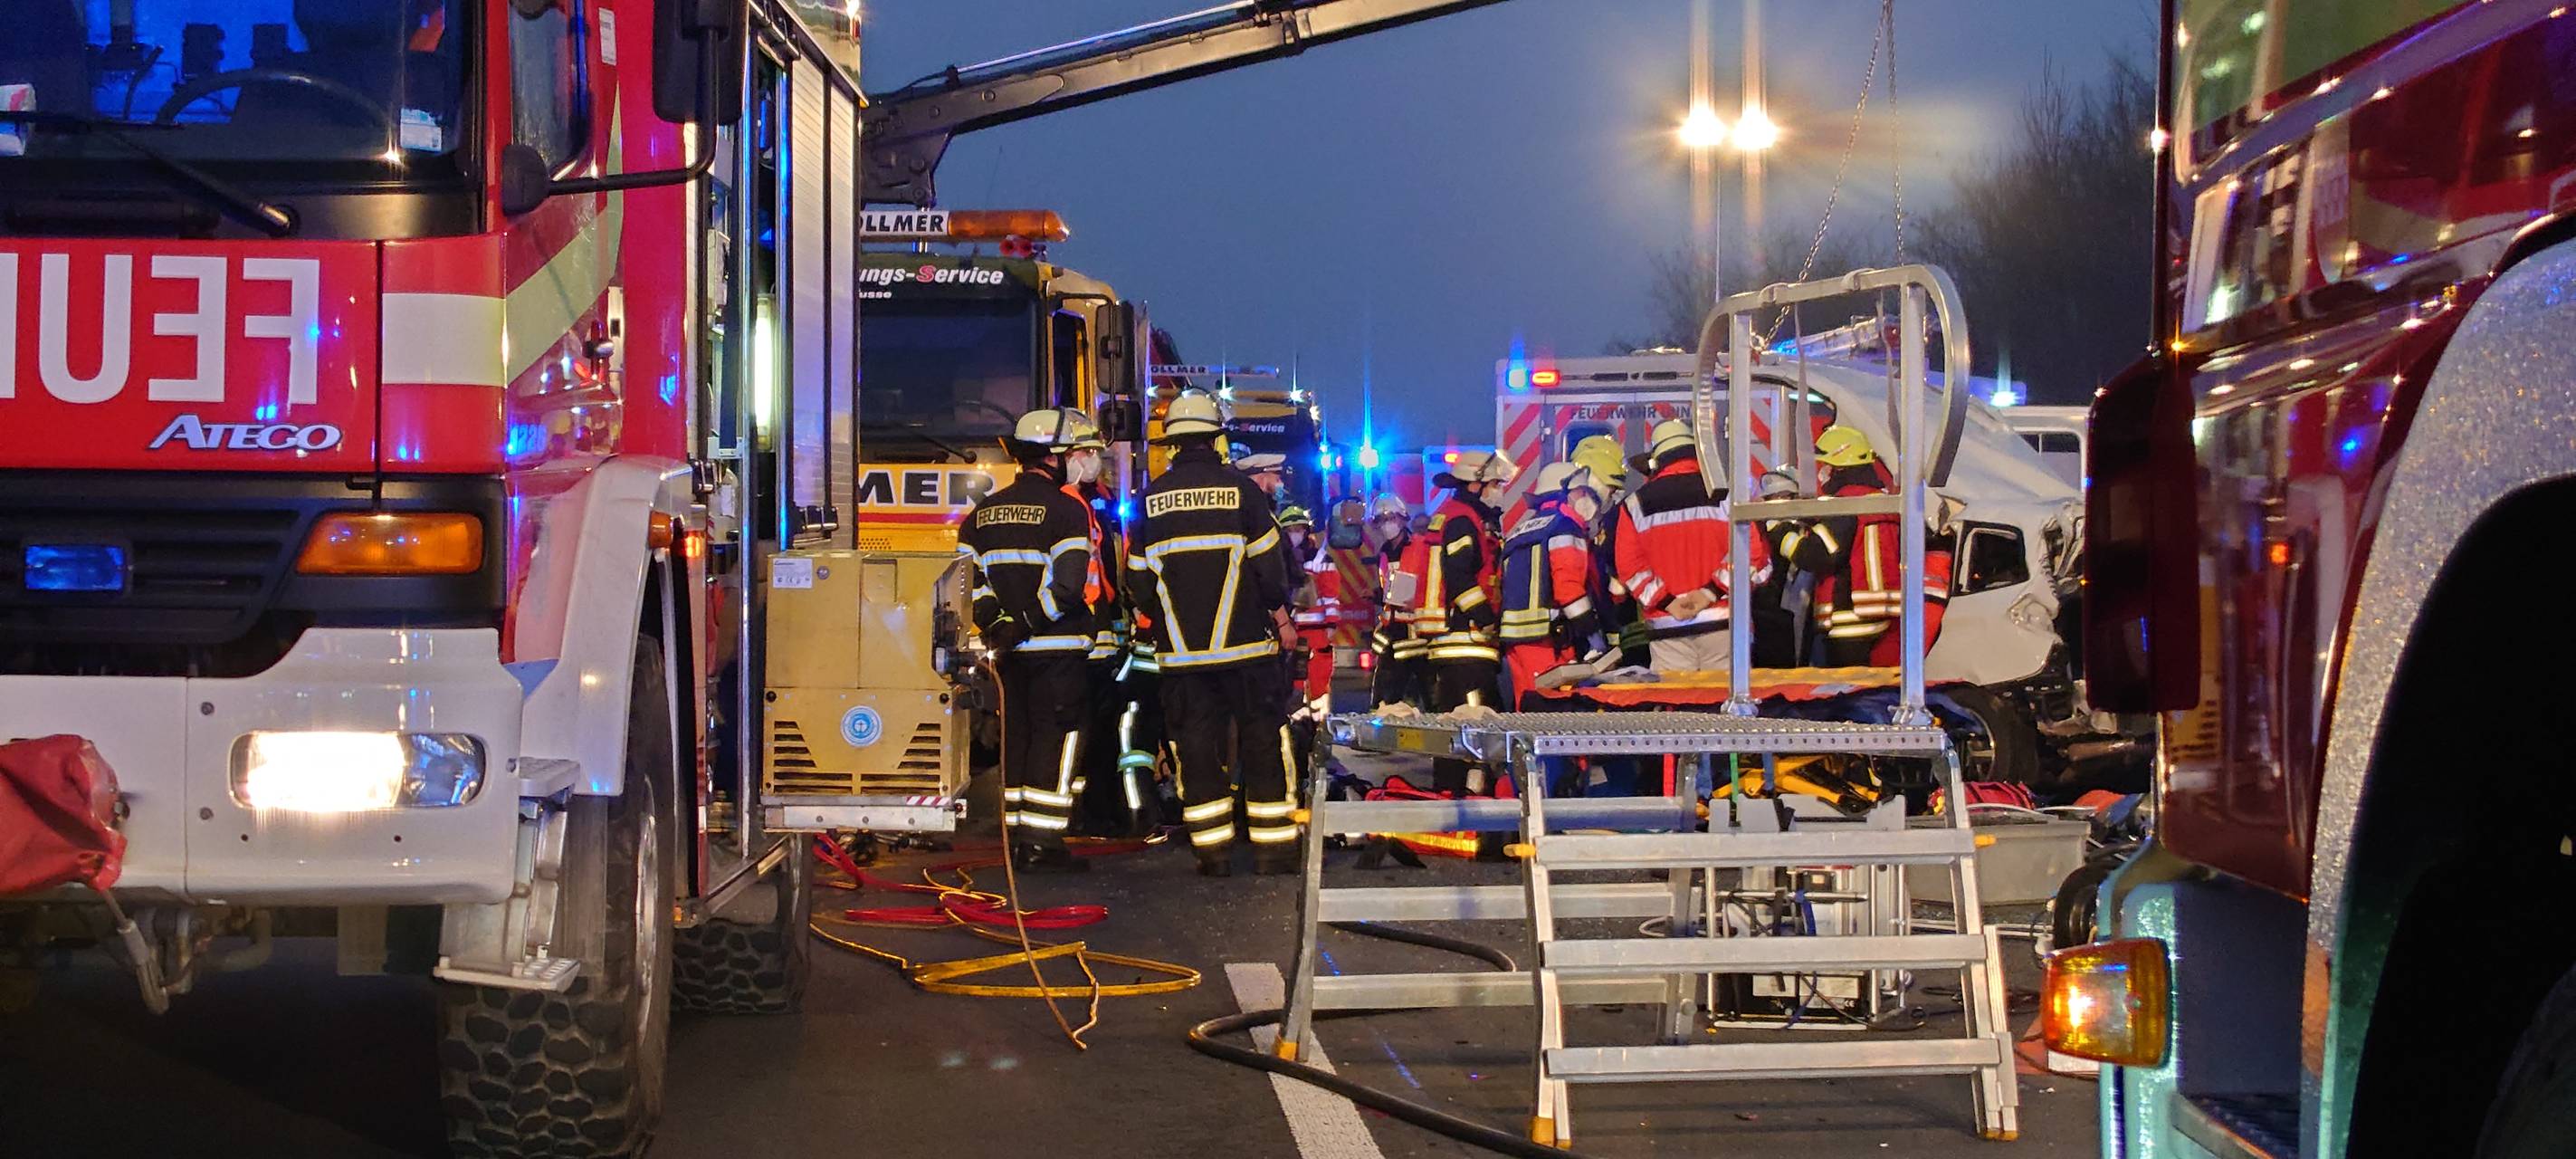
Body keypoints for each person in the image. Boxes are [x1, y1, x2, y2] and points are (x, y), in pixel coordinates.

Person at [1130, 394, 1301, 876]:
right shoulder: (1243, 492)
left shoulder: (1150, 501)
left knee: (1196, 749)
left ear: (1173, 444)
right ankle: (1273, 849)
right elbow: (1271, 571)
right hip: (1247, 652)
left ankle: (1213, 852)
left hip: (1183, 660)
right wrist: (1276, 614)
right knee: (1263, 741)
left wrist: (1168, 619)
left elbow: (1137, 582)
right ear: (1215, 439)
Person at [959, 409, 1111, 873]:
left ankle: (1017, 840)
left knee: (1018, 740)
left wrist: (998, 625)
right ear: (1052, 457)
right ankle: (1043, 843)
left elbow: (968, 585)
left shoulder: (980, 515)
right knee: (1055, 740)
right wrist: (1025, 623)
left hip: (1008, 656)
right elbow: (1067, 586)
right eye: (1071, 454)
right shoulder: (1067, 511)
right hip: (1057, 650)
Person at [1613, 420, 1770, 675]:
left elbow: (1630, 568)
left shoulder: (1634, 505)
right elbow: (1751, 554)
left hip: (1667, 625)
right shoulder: (1730, 496)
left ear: (1657, 460)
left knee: (1676, 697)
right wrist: (1709, 593)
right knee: (1726, 695)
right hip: (1723, 621)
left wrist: (1666, 601)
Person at [1413, 449, 1516, 794]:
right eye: (1495, 484)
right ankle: (1466, 799)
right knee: (1474, 727)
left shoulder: (1462, 515)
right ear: (1475, 485)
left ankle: (1457, 794)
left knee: (1458, 728)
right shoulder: (1462, 520)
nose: (1499, 490)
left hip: (1458, 643)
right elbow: (1459, 576)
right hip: (1465, 642)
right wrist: (1486, 619)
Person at [1500, 462, 1614, 703]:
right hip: (1548, 638)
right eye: (1581, 492)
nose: (1585, 498)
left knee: (1527, 704)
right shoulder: (1564, 527)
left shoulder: (1520, 530)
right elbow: (1568, 589)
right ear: (1564, 493)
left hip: (1516, 638)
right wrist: (1592, 633)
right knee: (1552, 706)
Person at [1808, 424, 1902, 667]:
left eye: (1826, 465)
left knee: (1844, 688)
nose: (1822, 472)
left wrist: (1780, 531)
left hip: (1848, 617)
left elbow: (1819, 555)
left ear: (1839, 467)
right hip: (1882, 614)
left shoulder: (1846, 504)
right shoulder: (1883, 502)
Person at [1365, 494, 1429, 709]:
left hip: (1417, 629)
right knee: (1386, 694)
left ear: (1403, 519)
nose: (1387, 525)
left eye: (1391, 518)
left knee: (1426, 690)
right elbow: (1390, 589)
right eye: (1381, 520)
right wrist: (1375, 595)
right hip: (1392, 628)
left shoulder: (1420, 546)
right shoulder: (1384, 552)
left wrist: (1417, 602)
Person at [1280, 505, 1339, 717]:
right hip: (1290, 629)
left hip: (1316, 630)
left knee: (1317, 679)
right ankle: (1296, 722)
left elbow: (1331, 595)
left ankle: (1317, 724)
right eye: (1290, 530)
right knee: (1292, 678)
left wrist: (1331, 624)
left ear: (1306, 531)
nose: (1295, 534)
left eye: (1298, 529)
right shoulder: (1279, 559)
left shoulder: (1321, 559)